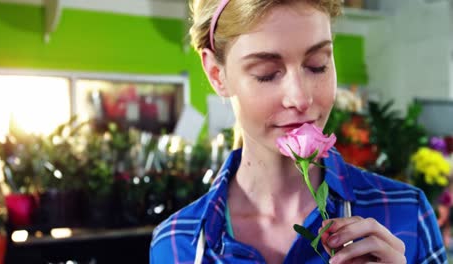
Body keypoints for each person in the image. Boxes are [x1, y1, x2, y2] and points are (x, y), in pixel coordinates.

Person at [150, 0, 446, 263]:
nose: (301, 98)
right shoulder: (177, 245)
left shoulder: (407, 214)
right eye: (266, 73)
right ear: (217, 75)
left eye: (317, 66)